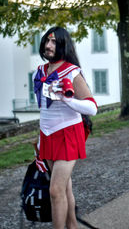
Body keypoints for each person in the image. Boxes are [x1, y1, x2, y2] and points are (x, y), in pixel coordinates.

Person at [33, 27, 98, 229]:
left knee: (55, 190)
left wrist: (66, 99)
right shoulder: (41, 71)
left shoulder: (71, 71)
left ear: (63, 45)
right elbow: (44, 108)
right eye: (47, 41)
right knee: (64, 187)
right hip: (48, 135)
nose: (48, 45)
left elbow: (92, 107)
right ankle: (72, 226)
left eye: (54, 42)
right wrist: (40, 137)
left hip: (68, 133)